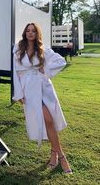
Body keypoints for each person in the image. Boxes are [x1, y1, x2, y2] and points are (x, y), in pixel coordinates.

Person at [13, 22, 72, 174]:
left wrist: (44, 69)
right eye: (28, 31)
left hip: (44, 88)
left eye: (33, 31)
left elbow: (61, 62)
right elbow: (16, 73)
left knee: (49, 121)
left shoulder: (43, 49)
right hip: (29, 90)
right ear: (25, 33)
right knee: (47, 120)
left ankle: (57, 155)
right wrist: (18, 93)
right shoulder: (18, 49)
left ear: (37, 33)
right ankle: (60, 156)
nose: (30, 33)